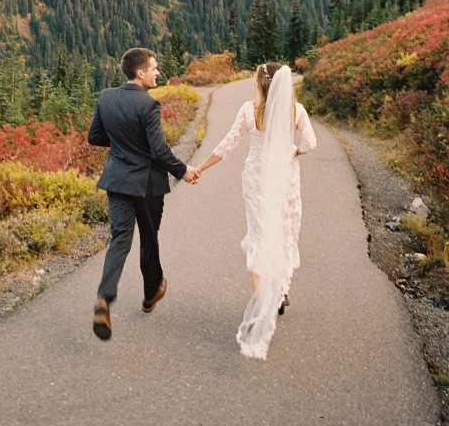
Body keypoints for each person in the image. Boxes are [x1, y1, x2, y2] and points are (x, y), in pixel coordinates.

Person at [194, 62, 317, 359]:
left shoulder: (249, 111)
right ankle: (280, 290)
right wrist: (292, 152)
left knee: (259, 237)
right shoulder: (296, 112)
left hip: (256, 181)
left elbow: (227, 145)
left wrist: (199, 167)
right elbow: (310, 144)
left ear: (260, 85)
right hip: (285, 180)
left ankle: (263, 300)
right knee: (283, 231)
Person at [87, 47, 199, 340]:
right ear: (141, 73)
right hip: (147, 184)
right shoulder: (149, 105)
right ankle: (151, 293)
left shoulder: (106, 97)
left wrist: (123, 145)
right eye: (154, 68)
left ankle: (103, 298)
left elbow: (94, 137)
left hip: (116, 180)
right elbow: (159, 151)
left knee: (120, 239)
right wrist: (184, 171)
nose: (158, 72)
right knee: (148, 237)